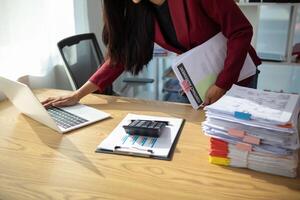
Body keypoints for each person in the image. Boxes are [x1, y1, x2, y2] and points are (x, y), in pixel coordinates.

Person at [42, 0, 261, 108]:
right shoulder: (142, 11)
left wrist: (223, 83)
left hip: (236, 76)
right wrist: (77, 95)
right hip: (201, 81)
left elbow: (241, 30)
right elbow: (120, 59)